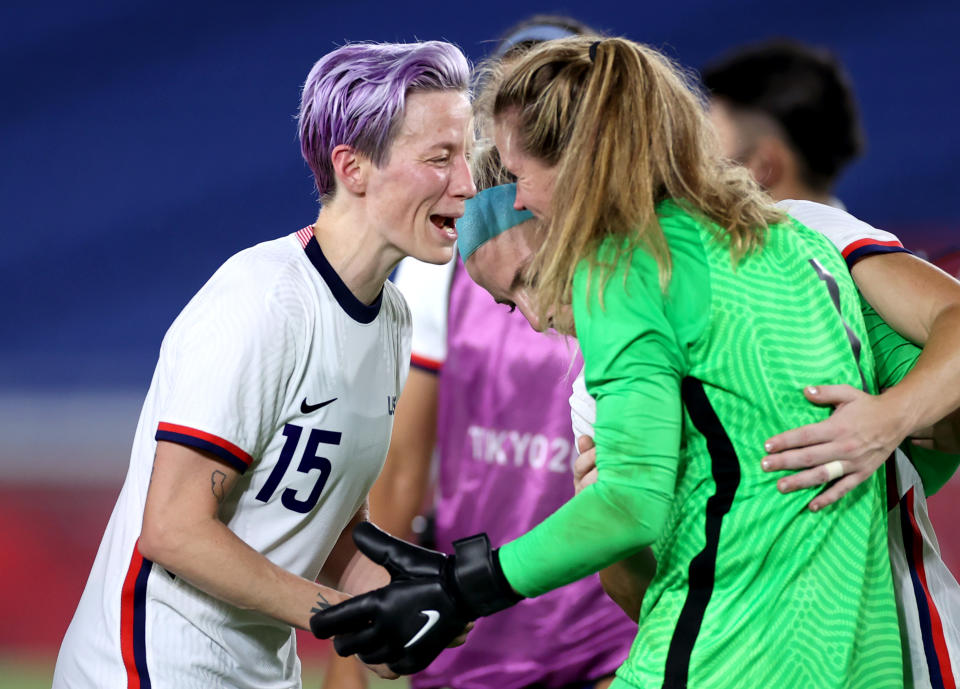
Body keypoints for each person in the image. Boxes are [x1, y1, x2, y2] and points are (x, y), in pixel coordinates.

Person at [311, 36, 923, 687]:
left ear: (576, 168)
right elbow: (937, 434)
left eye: (519, 178)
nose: (517, 198)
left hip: (721, 661)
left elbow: (630, 506)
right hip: (861, 658)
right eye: (509, 303)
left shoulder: (623, 271)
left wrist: (464, 585)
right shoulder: (798, 244)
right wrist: (879, 429)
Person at [52, 40, 476, 688]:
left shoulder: (391, 317)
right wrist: (340, 613)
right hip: (150, 668)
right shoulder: (262, 302)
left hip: (254, 670)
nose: (468, 183)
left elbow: (317, 512)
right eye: (440, 158)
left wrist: (408, 590)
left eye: (466, 155)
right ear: (354, 167)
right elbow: (172, 529)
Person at [322, 17, 636, 689]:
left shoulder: (635, 270)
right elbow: (403, 464)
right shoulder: (443, 262)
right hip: (474, 624)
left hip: (610, 630)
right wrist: (351, 655)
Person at [701, 42, 960, 687]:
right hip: (753, 646)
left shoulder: (831, 250)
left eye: (707, 146)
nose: (688, 168)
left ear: (761, 167)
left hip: (887, 638)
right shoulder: (687, 286)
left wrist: (890, 419)